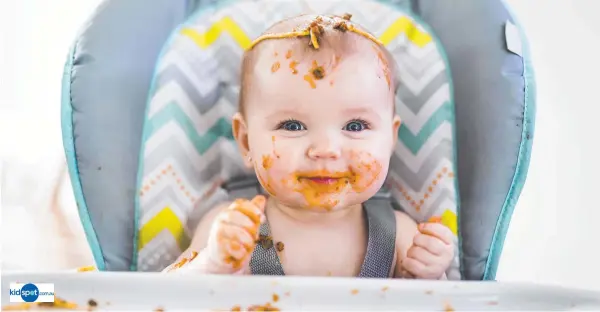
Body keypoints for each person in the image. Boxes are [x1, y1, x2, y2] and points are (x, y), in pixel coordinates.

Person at [163, 13, 454, 279]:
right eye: (292, 126)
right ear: (246, 141)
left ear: (391, 138)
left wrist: (428, 276)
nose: (325, 149)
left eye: (355, 126)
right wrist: (212, 266)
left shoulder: (400, 235)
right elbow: (163, 298)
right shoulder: (232, 229)